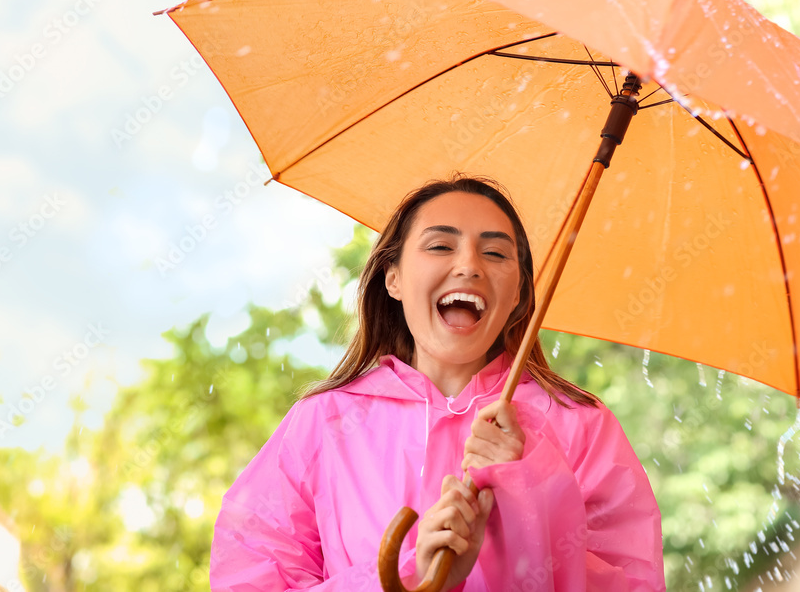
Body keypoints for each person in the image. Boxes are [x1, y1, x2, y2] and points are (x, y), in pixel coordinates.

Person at [209, 175, 666, 591]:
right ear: (394, 279)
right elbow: (252, 577)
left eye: (494, 252)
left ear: (521, 295)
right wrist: (407, 575)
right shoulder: (324, 422)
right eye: (441, 246)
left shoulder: (579, 425)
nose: (469, 265)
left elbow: (632, 582)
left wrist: (529, 492)